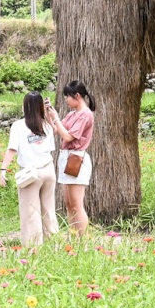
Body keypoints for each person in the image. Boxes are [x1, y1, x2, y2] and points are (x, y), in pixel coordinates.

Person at [0, 92, 58, 248]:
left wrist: (3, 169)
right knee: (49, 208)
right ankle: (53, 243)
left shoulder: (19, 126)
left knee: (30, 212)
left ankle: (33, 247)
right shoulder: (47, 125)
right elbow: (51, 148)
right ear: (40, 106)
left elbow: (12, 149)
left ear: (25, 106)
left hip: (31, 173)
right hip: (49, 170)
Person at [47, 80, 96, 235]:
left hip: (76, 159)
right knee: (69, 203)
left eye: (67, 97)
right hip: (67, 157)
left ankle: (81, 240)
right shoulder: (71, 114)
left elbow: (68, 137)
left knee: (76, 204)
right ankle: (74, 235)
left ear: (77, 96)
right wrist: (50, 114)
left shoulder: (85, 115)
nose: (66, 100)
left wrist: (55, 117)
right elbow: (56, 130)